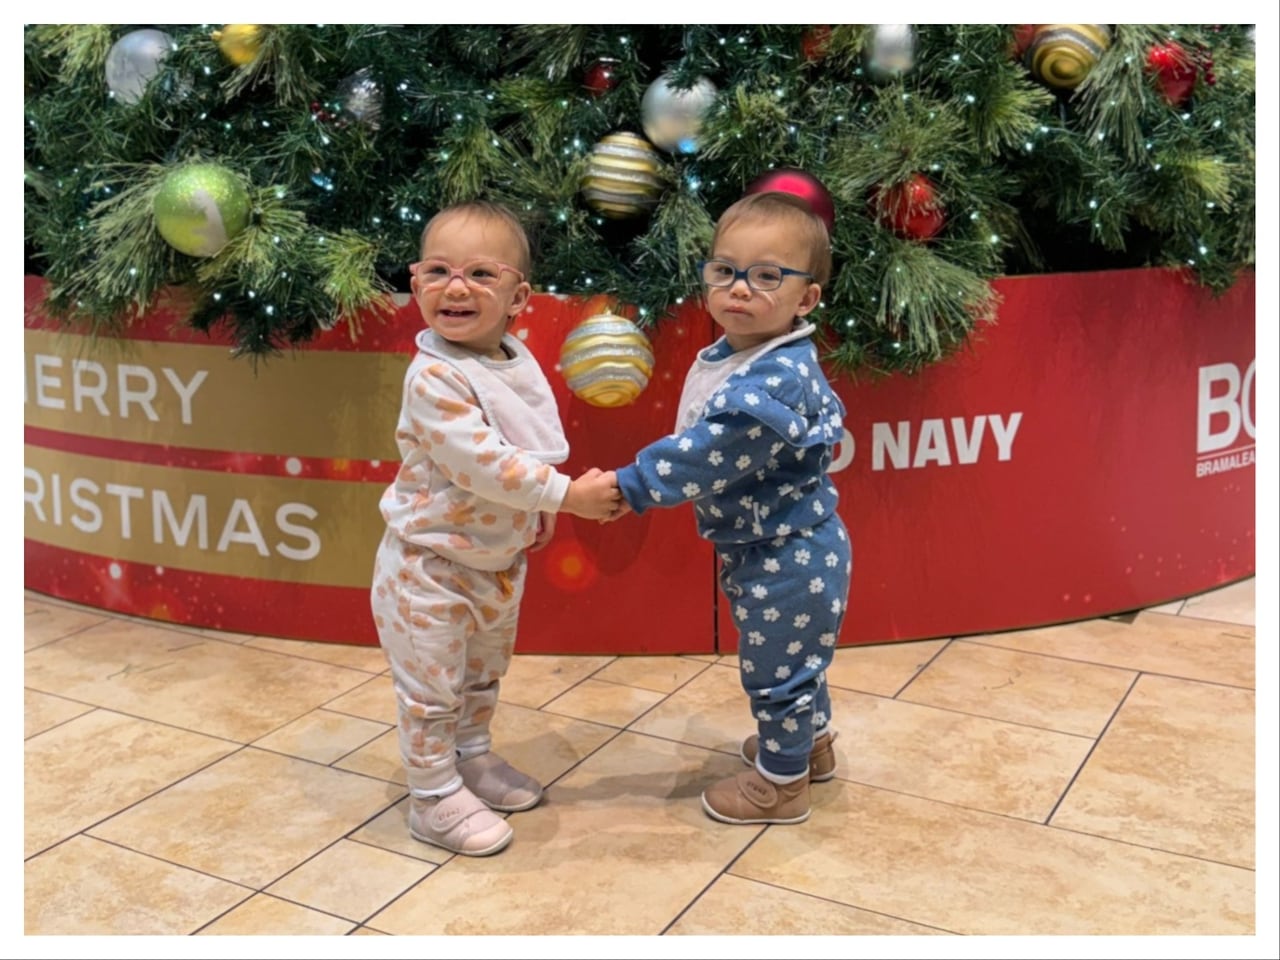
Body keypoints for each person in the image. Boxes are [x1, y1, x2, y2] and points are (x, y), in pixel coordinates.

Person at [370, 200, 620, 857]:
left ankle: (471, 757)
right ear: (417, 282)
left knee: (482, 676)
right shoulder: (434, 376)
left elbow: (524, 444)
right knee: (431, 689)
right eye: (438, 271)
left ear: (518, 297)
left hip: (494, 563)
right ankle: (430, 794)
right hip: (428, 568)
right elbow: (484, 462)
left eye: (482, 273)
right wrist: (563, 498)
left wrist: (534, 514)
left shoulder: (512, 361)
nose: (456, 287)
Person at [610, 191, 852, 825]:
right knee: (798, 658)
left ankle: (781, 784)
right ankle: (812, 747)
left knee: (777, 673)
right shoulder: (741, 352)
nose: (739, 289)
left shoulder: (772, 379)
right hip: (770, 545)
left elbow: (704, 453)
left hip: (788, 557)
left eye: (766, 277)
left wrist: (630, 485)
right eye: (724, 271)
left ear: (806, 299)